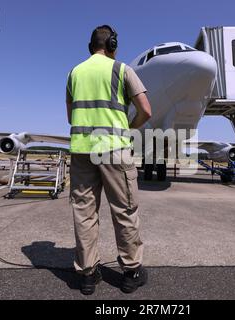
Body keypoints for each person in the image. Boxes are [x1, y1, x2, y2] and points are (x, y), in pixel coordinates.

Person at [66, 25, 152, 295]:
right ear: (112, 44)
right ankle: (130, 273)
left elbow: (71, 117)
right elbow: (146, 111)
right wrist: (128, 127)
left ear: (90, 46)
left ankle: (88, 275)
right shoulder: (122, 70)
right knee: (124, 210)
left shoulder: (74, 73)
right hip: (114, 148)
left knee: (84, 213)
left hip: (82, 150)